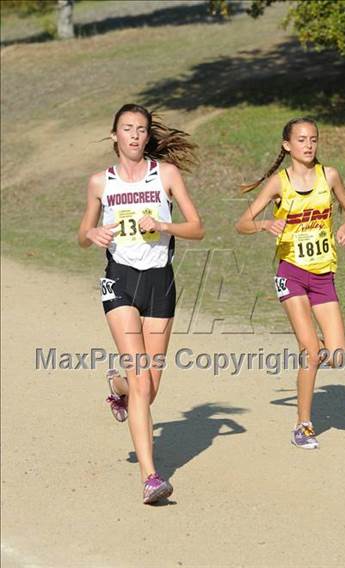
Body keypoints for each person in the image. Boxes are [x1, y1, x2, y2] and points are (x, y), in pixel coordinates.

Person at [78, 103, 204, 503]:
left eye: (141, 129)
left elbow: (197, 227)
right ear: (115, 135)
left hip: (159, 283)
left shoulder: (165, 174)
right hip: (121, 281)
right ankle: (151, 477)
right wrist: (93, 234)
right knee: (139, 376)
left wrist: (164, 225)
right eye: (127, 128)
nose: (134, 135)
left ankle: (115, 387)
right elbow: (83, 232)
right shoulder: (101, 181)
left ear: (148, 136)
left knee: (147, 390)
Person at [235, 117, 345, 449]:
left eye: (313, 139)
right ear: (287, 145)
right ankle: (303, 425)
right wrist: (264, 226)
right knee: (312, 352)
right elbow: (242, 223)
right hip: (291, 274)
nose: (308, 145)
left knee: (339, 355)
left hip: (323, 276)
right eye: (301, 140)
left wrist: (344, 227)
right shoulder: (279, 182)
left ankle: (315, 346)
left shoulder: (328, 175)